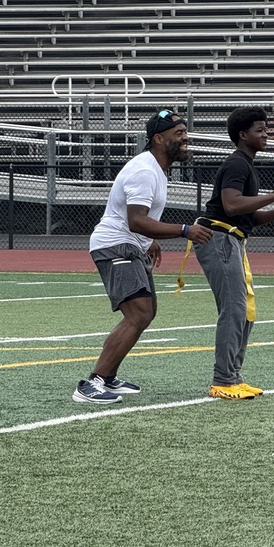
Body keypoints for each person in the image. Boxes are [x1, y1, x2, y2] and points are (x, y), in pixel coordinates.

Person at [72, 109, 212, 405]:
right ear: (158, 139)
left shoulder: (155, 168)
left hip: (129, 244)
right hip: (116, 244)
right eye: (178, 134)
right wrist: (185, 230)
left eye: (185, 132)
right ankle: (92, 382)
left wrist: (150, 240)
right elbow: (136, 220)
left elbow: (140, 220)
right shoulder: (146, 170)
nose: (185, 138)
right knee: (138, 313)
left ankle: (107, 377)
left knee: (145, 313)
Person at [192, 106, 274, 400]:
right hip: (219, 239)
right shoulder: (237, 164)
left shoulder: (246, 165)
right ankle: (222, 380)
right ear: (243, 135)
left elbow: (246, 219)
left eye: (266, 130)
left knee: (245, 312)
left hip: (232, 239)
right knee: (233, 310)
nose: (266, 135)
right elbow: (231, 206)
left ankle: (233, 376)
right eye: (260, 130)